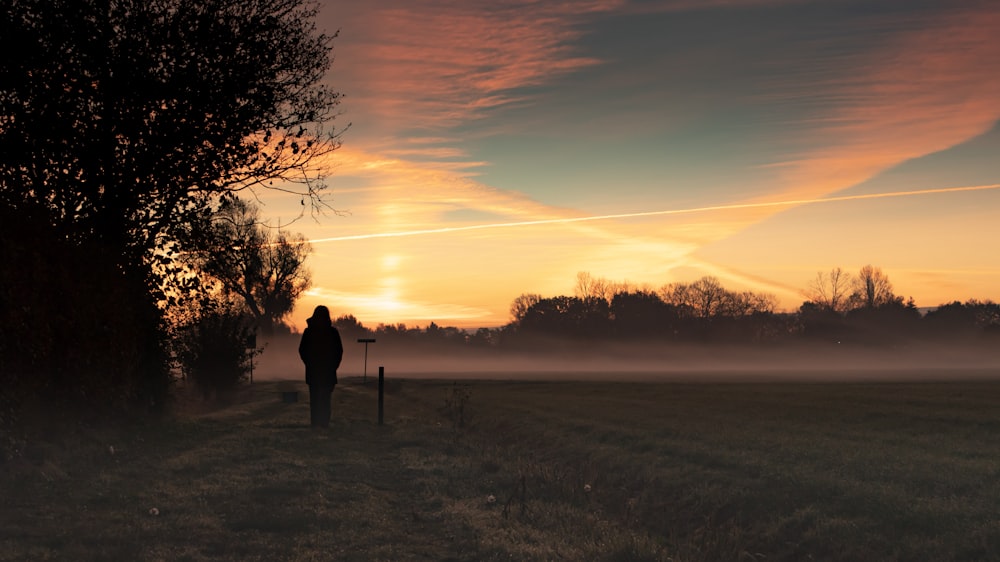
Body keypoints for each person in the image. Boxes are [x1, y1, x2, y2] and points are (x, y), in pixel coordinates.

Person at [298, 305, 344, 428]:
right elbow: (339, 351)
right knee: (324, 399)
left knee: (316, 399)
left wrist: (309, 364)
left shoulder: (310, 332)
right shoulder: (332, 332)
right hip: (325, 372)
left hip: (317, 372)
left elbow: (302, 350)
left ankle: (317, 424)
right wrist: (333, 366)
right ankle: (322, 424)